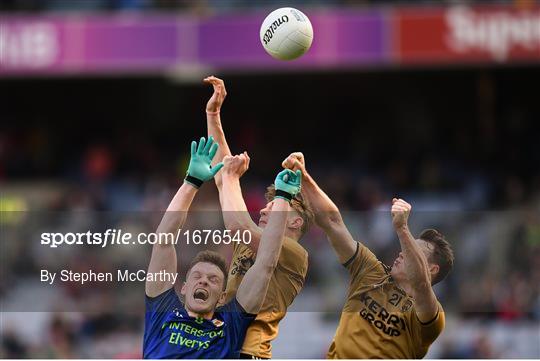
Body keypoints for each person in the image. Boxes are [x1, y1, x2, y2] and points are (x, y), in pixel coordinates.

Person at [282, 152, 454, 359]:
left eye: (414, 251)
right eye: (406, 247)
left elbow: (421, 284)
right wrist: (304, 177)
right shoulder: (371, 271)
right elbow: (332, 222)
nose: (402, 251)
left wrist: (402, 230)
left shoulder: (430, 315)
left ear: (432, 269)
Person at [143, 136, 302, 359]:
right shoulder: (163, 312)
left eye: (214, 280)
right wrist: (191, 182)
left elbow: (266, 264)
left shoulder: (231, 323)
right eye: (197, 276)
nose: (204, 280)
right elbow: (163, 240)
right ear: (185, 287)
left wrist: (283, 198)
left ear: (221, 298)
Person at [202, 75, 314, 359]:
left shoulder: (294, 253)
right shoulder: (252, 239)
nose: (265, 209)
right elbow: (222, 175)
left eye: (276, 205)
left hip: (248, 353)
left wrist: (230, 177)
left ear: (296, 221)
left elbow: (237, 223)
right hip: (222, 347)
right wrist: (213, 114)